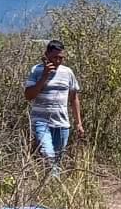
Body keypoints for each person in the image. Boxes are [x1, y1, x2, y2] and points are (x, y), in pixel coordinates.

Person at [24, 40, 84, 176]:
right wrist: (44, 76)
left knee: (57, 159)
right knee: (48, 155)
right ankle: (53, 184)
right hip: (41, 121)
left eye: (61, 58)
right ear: (46, 55)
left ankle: (51, 187)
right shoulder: (36, 70)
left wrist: (78, 123)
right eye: (54, 57)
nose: (57, 61)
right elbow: (28, 95)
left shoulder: (68, 72)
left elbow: (74, 98)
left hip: (62, 123)